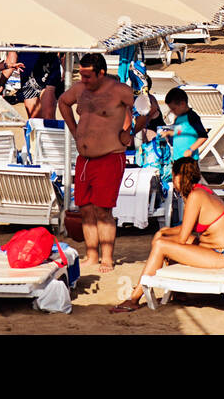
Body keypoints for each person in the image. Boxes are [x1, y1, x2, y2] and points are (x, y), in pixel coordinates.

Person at [54, 52, 152, 272]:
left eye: (88, 76)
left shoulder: (119, 91)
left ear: (100, 73)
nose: (84, 80)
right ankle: (91, 255)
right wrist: (74, 129)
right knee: (85, 208)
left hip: (110, 157)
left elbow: (148, 107)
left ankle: (107, 257)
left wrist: (130, 131)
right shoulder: (80, 89)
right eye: (81, 75)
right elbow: (63, 102)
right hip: (84, 159)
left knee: (103, 210)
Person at [110, 157, 224, 312]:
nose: (173, 181)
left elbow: (182, 237)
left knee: (161, 245)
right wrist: (162, 232)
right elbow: (187, 228)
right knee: (163, 239)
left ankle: (134, 298)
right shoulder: (200, 191)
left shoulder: (196, 196)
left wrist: (161, 236)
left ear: (179, 177)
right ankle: (178, 292)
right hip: (214, 250)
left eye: (173, 177)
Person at [158, 87, 208, 162]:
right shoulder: (178, 118)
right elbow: (179, 132)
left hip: (189, 159)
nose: (172, 111)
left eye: (173, 109)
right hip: (177, 157)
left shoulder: (192, 117)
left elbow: (203, 136)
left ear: (183, 104)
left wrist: (190, 150)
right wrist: (168, 133)